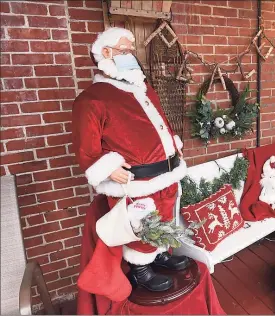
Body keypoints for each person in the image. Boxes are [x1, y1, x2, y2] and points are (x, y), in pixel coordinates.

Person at [72, 27, 190, 304]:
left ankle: (159, 254)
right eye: (125, 51)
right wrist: (104, 167)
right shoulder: (92, 99)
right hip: (135, 182)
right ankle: (141, 268)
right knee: (141, 224)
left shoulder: (143, 89)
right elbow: (85, 147)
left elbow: (159, 123)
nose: (130, 57)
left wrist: (173, 147)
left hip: (167, 173)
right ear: (106, 53)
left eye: (131, 52)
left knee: (164, 218)